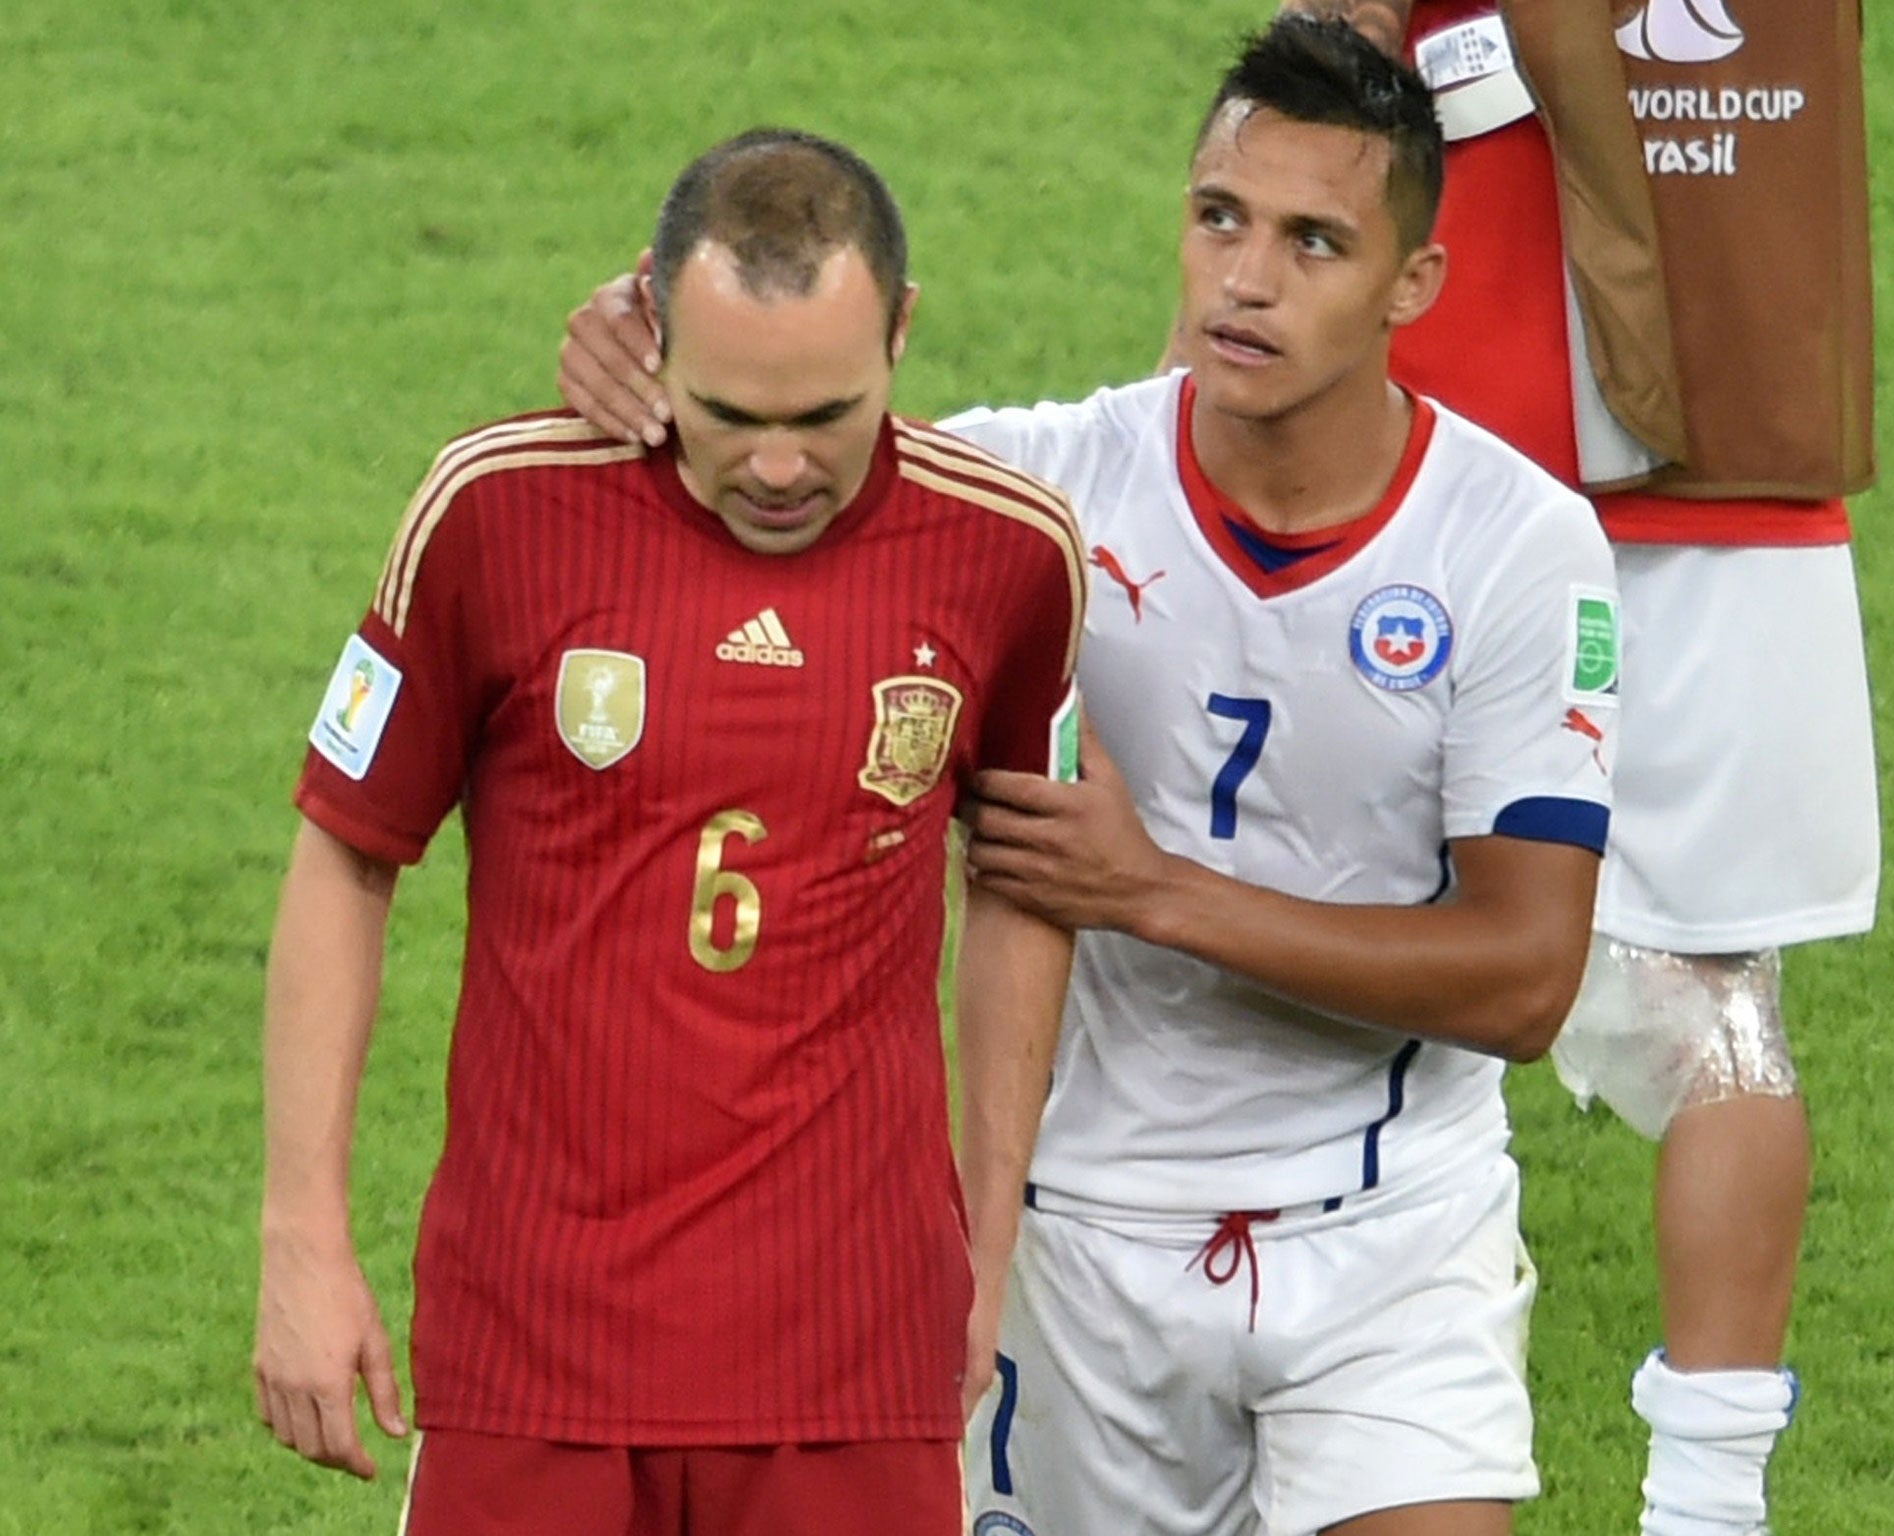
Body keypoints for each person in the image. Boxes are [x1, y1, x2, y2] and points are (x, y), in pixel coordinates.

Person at [560, 19, 1619, 1535]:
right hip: (1084, 1250)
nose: (1247, 279)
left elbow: (1527, 980)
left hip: (1393, 1234)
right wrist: (640, 346)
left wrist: (1157, 894)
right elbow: (767, 465)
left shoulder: (1516, 547)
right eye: (1220, 219)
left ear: (1413, 286)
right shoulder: (1040, 495)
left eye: (1315, 242)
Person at [253, 127, 1086, 1536]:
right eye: (725, 411)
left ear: (903, 331)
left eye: (825, 415)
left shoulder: (1007, 555)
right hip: (537, 1354)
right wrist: (301, 1236)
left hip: (853, 1355)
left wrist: (984, 1250)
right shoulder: (495, 514)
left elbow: (1024, 888)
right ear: (646, 322)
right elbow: (347, 849)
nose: (774, 466)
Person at [1370, 4, 1880, 1533]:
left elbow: (1314, 103)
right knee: (1725, 1018)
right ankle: (1708, 1511)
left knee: (1360, 953)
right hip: (1747, 472)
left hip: (1454, 473)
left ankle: (1370, 1434)